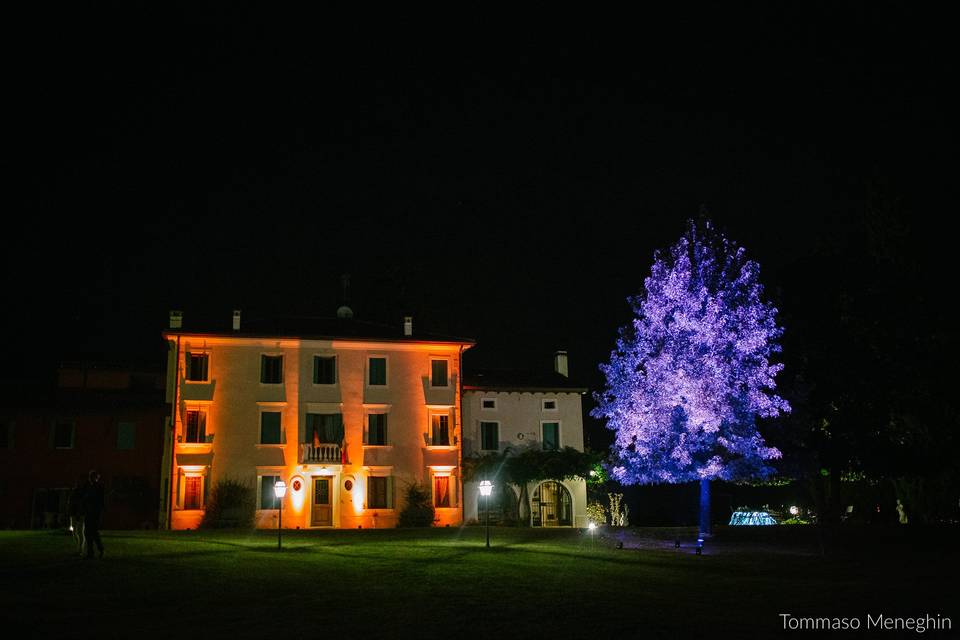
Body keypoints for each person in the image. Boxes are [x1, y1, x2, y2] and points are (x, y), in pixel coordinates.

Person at [82, 470, 105, 558]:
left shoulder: (98, 487)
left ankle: (99, 549)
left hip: (94, 513)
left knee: (93, 532)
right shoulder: (90, 487)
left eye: (91, 477)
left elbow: (100, 501)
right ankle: (91, 552)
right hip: (90, 512)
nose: (90, 479)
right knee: (88, 533)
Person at [67, 476, 87, 556]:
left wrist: (79, 512)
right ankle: (79, 546)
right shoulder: (73, 492)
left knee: (80, 531)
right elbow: (70, 503)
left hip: (80, 514)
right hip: (73, 514)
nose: (77, 485)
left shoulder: (82, 493)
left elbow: (81, 504)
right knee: (73, 531)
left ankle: (80, 549)